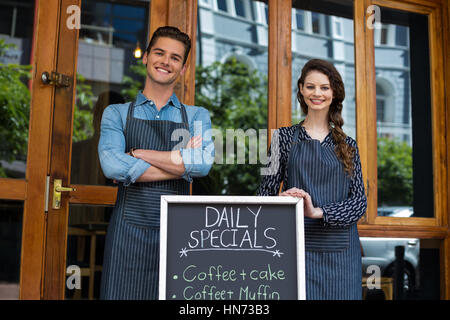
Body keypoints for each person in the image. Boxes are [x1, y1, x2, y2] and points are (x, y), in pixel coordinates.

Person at [98, 26, 214, 300]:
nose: (166, 61)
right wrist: (179, 165)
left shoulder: (197, 116)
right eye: (159, 53)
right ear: (146, 57)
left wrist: (137, 154)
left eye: (175, 58)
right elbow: (112, 167)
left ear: (183, 68)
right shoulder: (116, 114)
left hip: (181, 237)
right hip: (127, 236)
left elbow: (202, 164)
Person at [257, 59, 367, 300]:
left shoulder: (348, 145)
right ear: (301, 89)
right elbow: (263, 195)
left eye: (324, 87)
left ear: (334, 92)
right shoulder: (282, 138)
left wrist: (317, 212)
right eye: (310, 87)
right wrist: (282, 200)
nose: (317, 93)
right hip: (297, 249)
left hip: (342, 256)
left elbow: (359, 203)